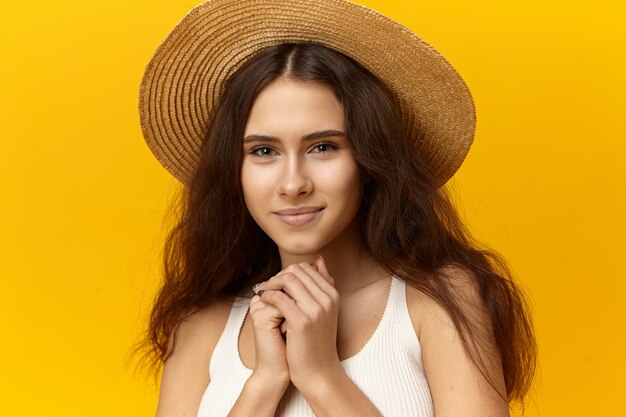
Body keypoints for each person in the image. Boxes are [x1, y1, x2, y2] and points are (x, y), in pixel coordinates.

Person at [135, 0, 537, 416]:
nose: (293, 184)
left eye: (323, 147)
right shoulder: (201, 324)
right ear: (233, 169)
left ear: (368, 156)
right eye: (264, 150)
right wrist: (266, 382)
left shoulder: (438, 300)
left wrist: (321, 377)